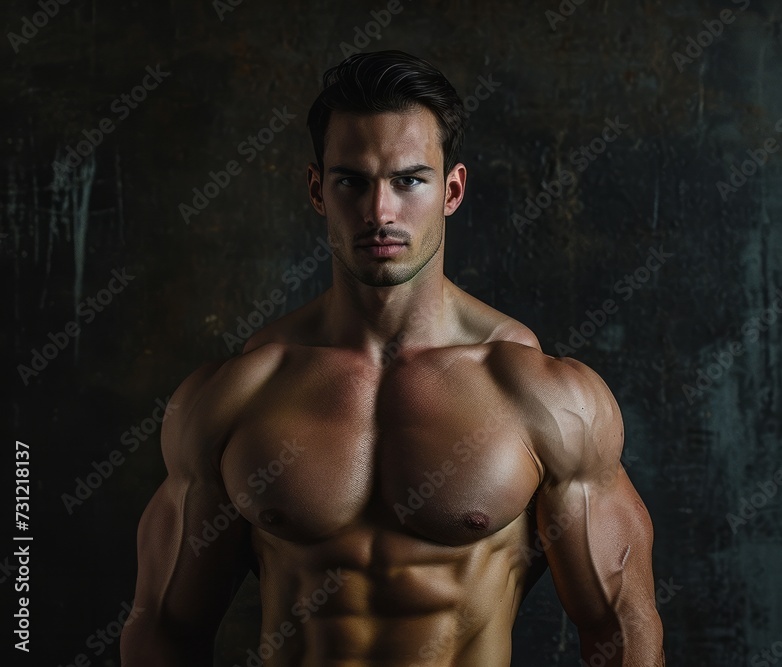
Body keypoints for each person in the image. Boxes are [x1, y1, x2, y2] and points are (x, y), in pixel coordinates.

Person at [121, 50, 664, 667]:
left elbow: (620, 630)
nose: (380, 212)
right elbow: (166, 630)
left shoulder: (541, 394)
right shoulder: (237, 395)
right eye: (352, 180)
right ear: (317, 190)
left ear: (451, 190)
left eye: (409, 180)